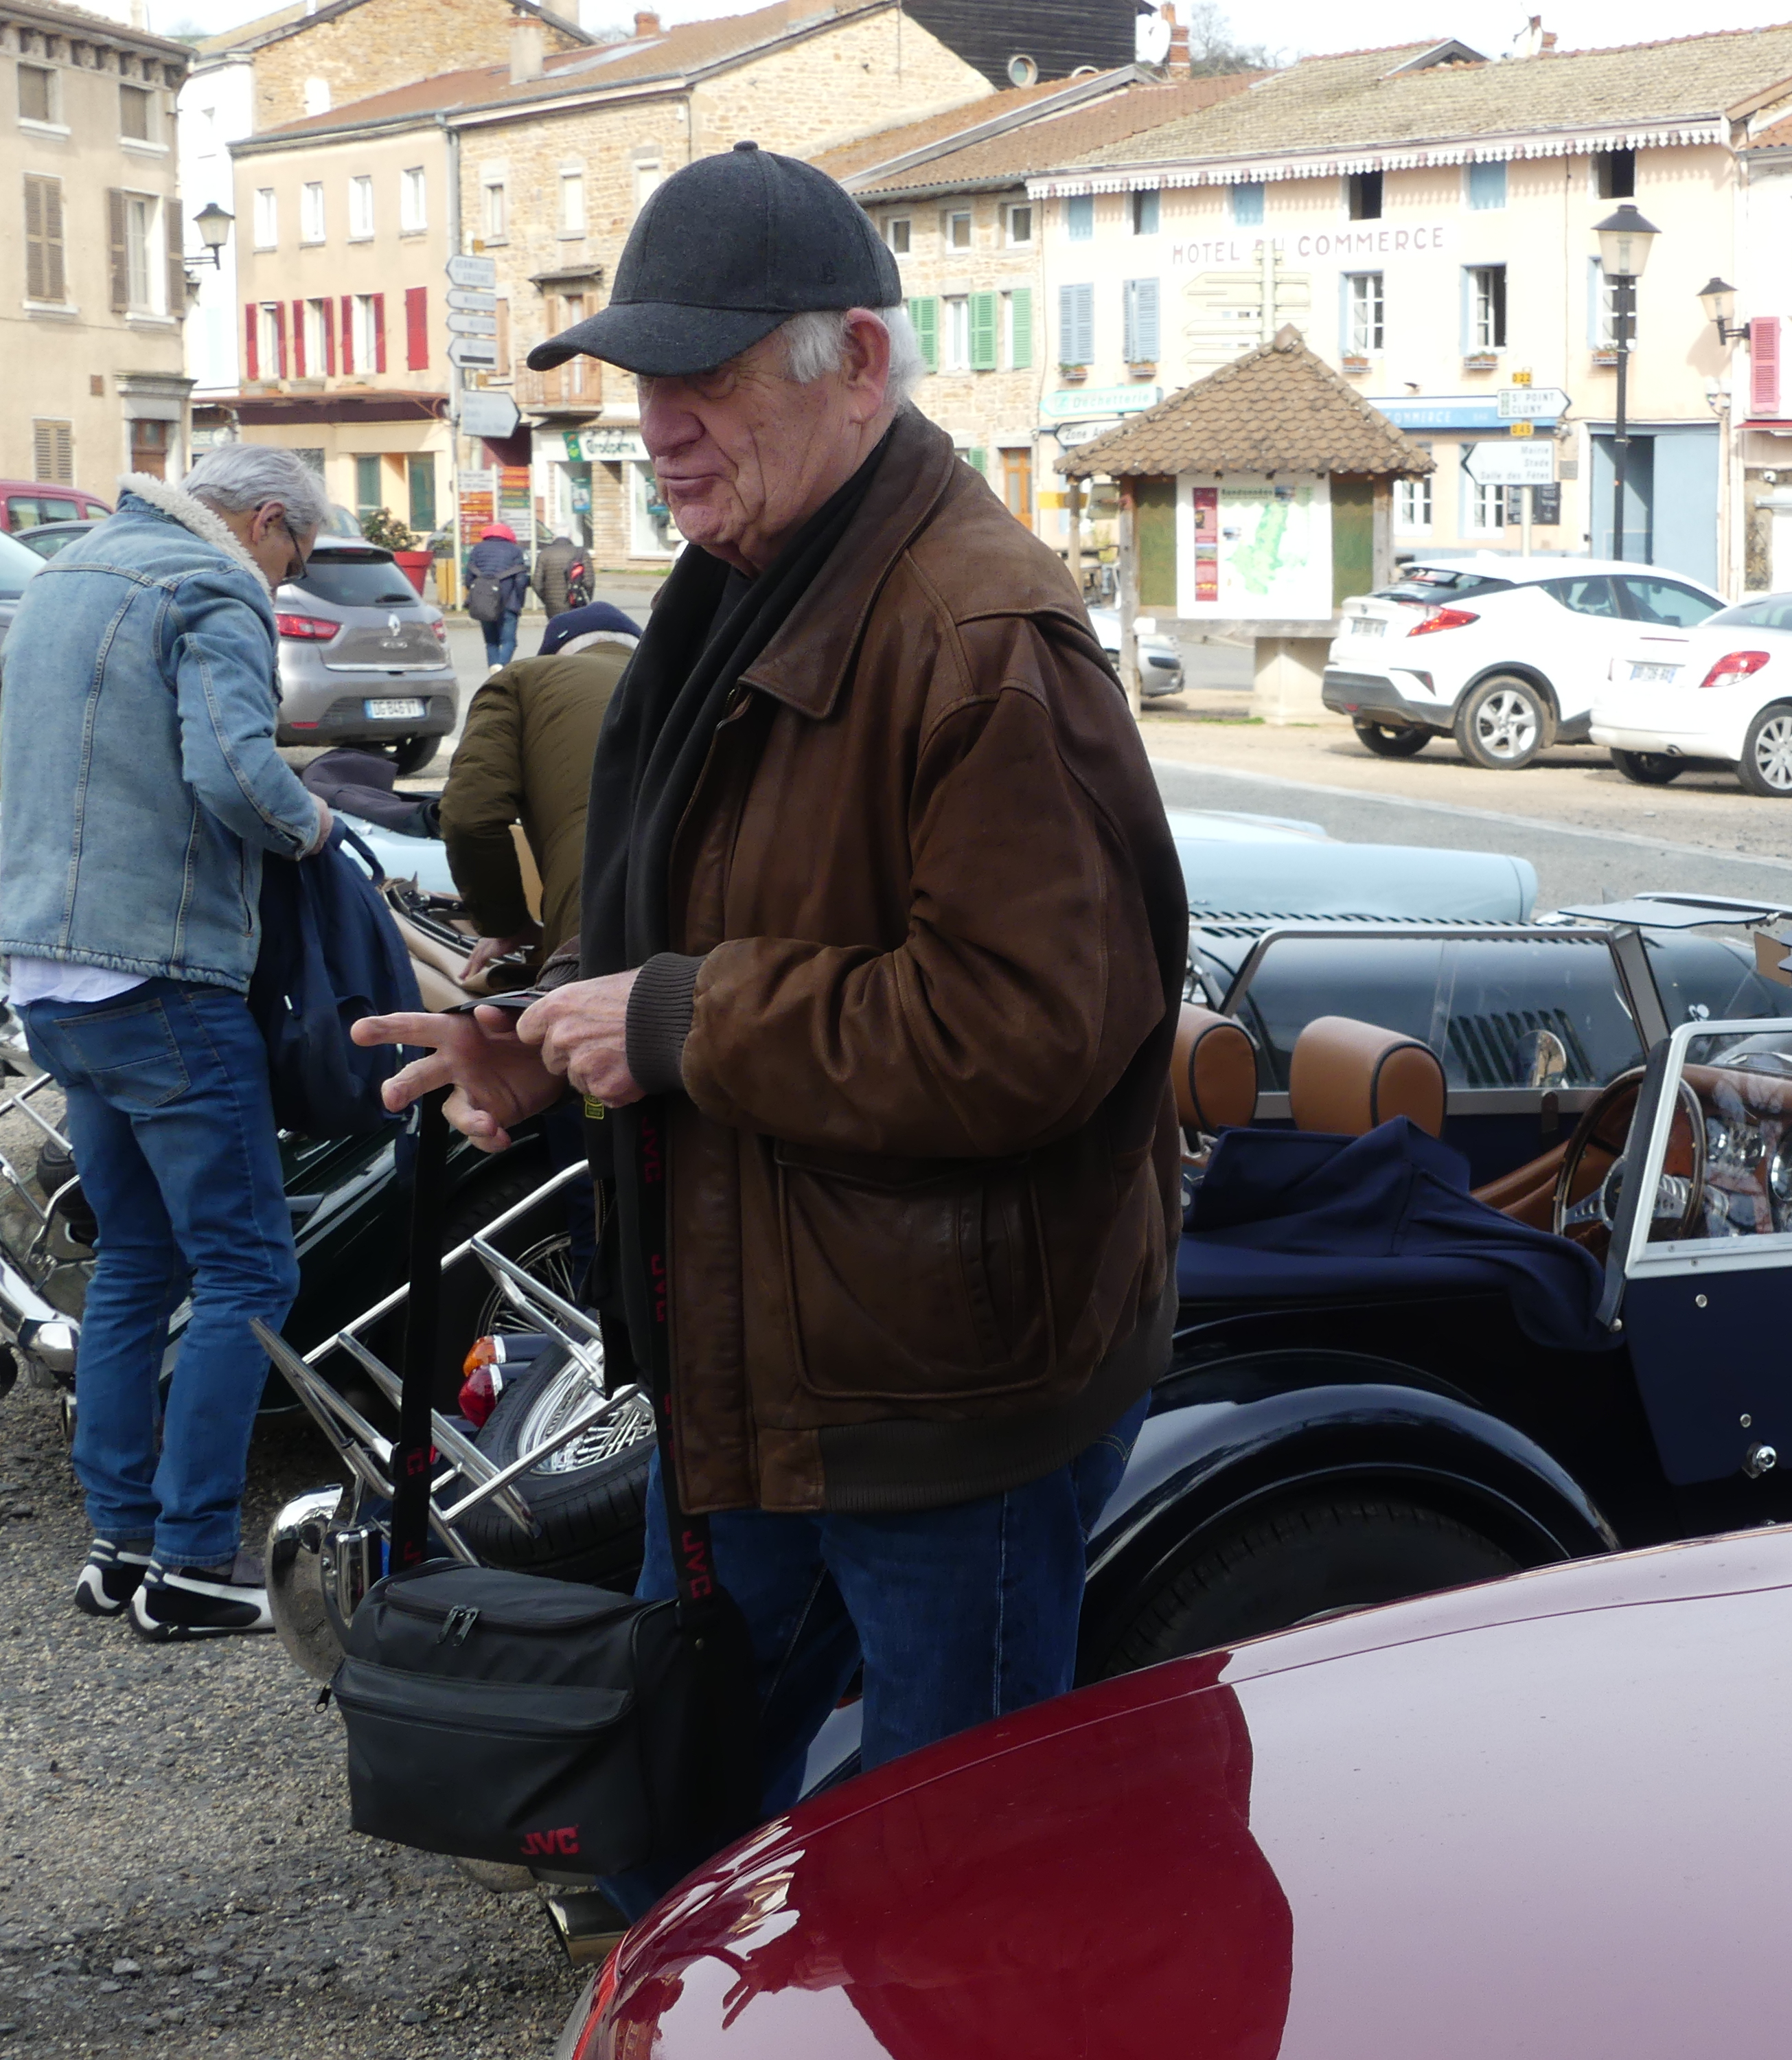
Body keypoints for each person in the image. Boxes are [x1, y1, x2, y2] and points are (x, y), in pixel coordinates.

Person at [356, 141, 1186, 1913]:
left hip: (940, 1414)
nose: (656, 426)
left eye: (705, 379)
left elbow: (1028, 1027)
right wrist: (544, 1028)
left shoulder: (979, 630)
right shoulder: (750, 577)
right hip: (750, 1378)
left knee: (950, 1889)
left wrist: (670, 1020)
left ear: (857, 365)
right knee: (693, 1838)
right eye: (642, 382)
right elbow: (705, 906)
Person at [0, 445, 337, 1638]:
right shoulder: (211, 582)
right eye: (295, 559)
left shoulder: (69, 571)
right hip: (162, 971)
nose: (285, 583)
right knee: (250, 1268)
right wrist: (315, 824)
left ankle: (121, 1547)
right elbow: (238, 776)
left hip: (53, 975)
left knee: (138, 1260)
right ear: (265, 521)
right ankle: (193, 1562)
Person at [437, 599, 641, 978]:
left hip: (601, 925)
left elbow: (470, 816)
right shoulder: (699, 684)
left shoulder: (524, 678)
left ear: (557, 653)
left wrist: (506, 923)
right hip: (729, 937)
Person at [464, 522, 530, 670]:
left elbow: (469, 578)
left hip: (484, 601)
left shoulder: (477, 550)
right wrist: (519, 601)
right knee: (509, 641)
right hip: (509, 602)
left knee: (491, 641)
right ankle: (501, 666)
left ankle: (494, 669)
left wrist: (477, 596)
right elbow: (521, 581)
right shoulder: (515, 551)